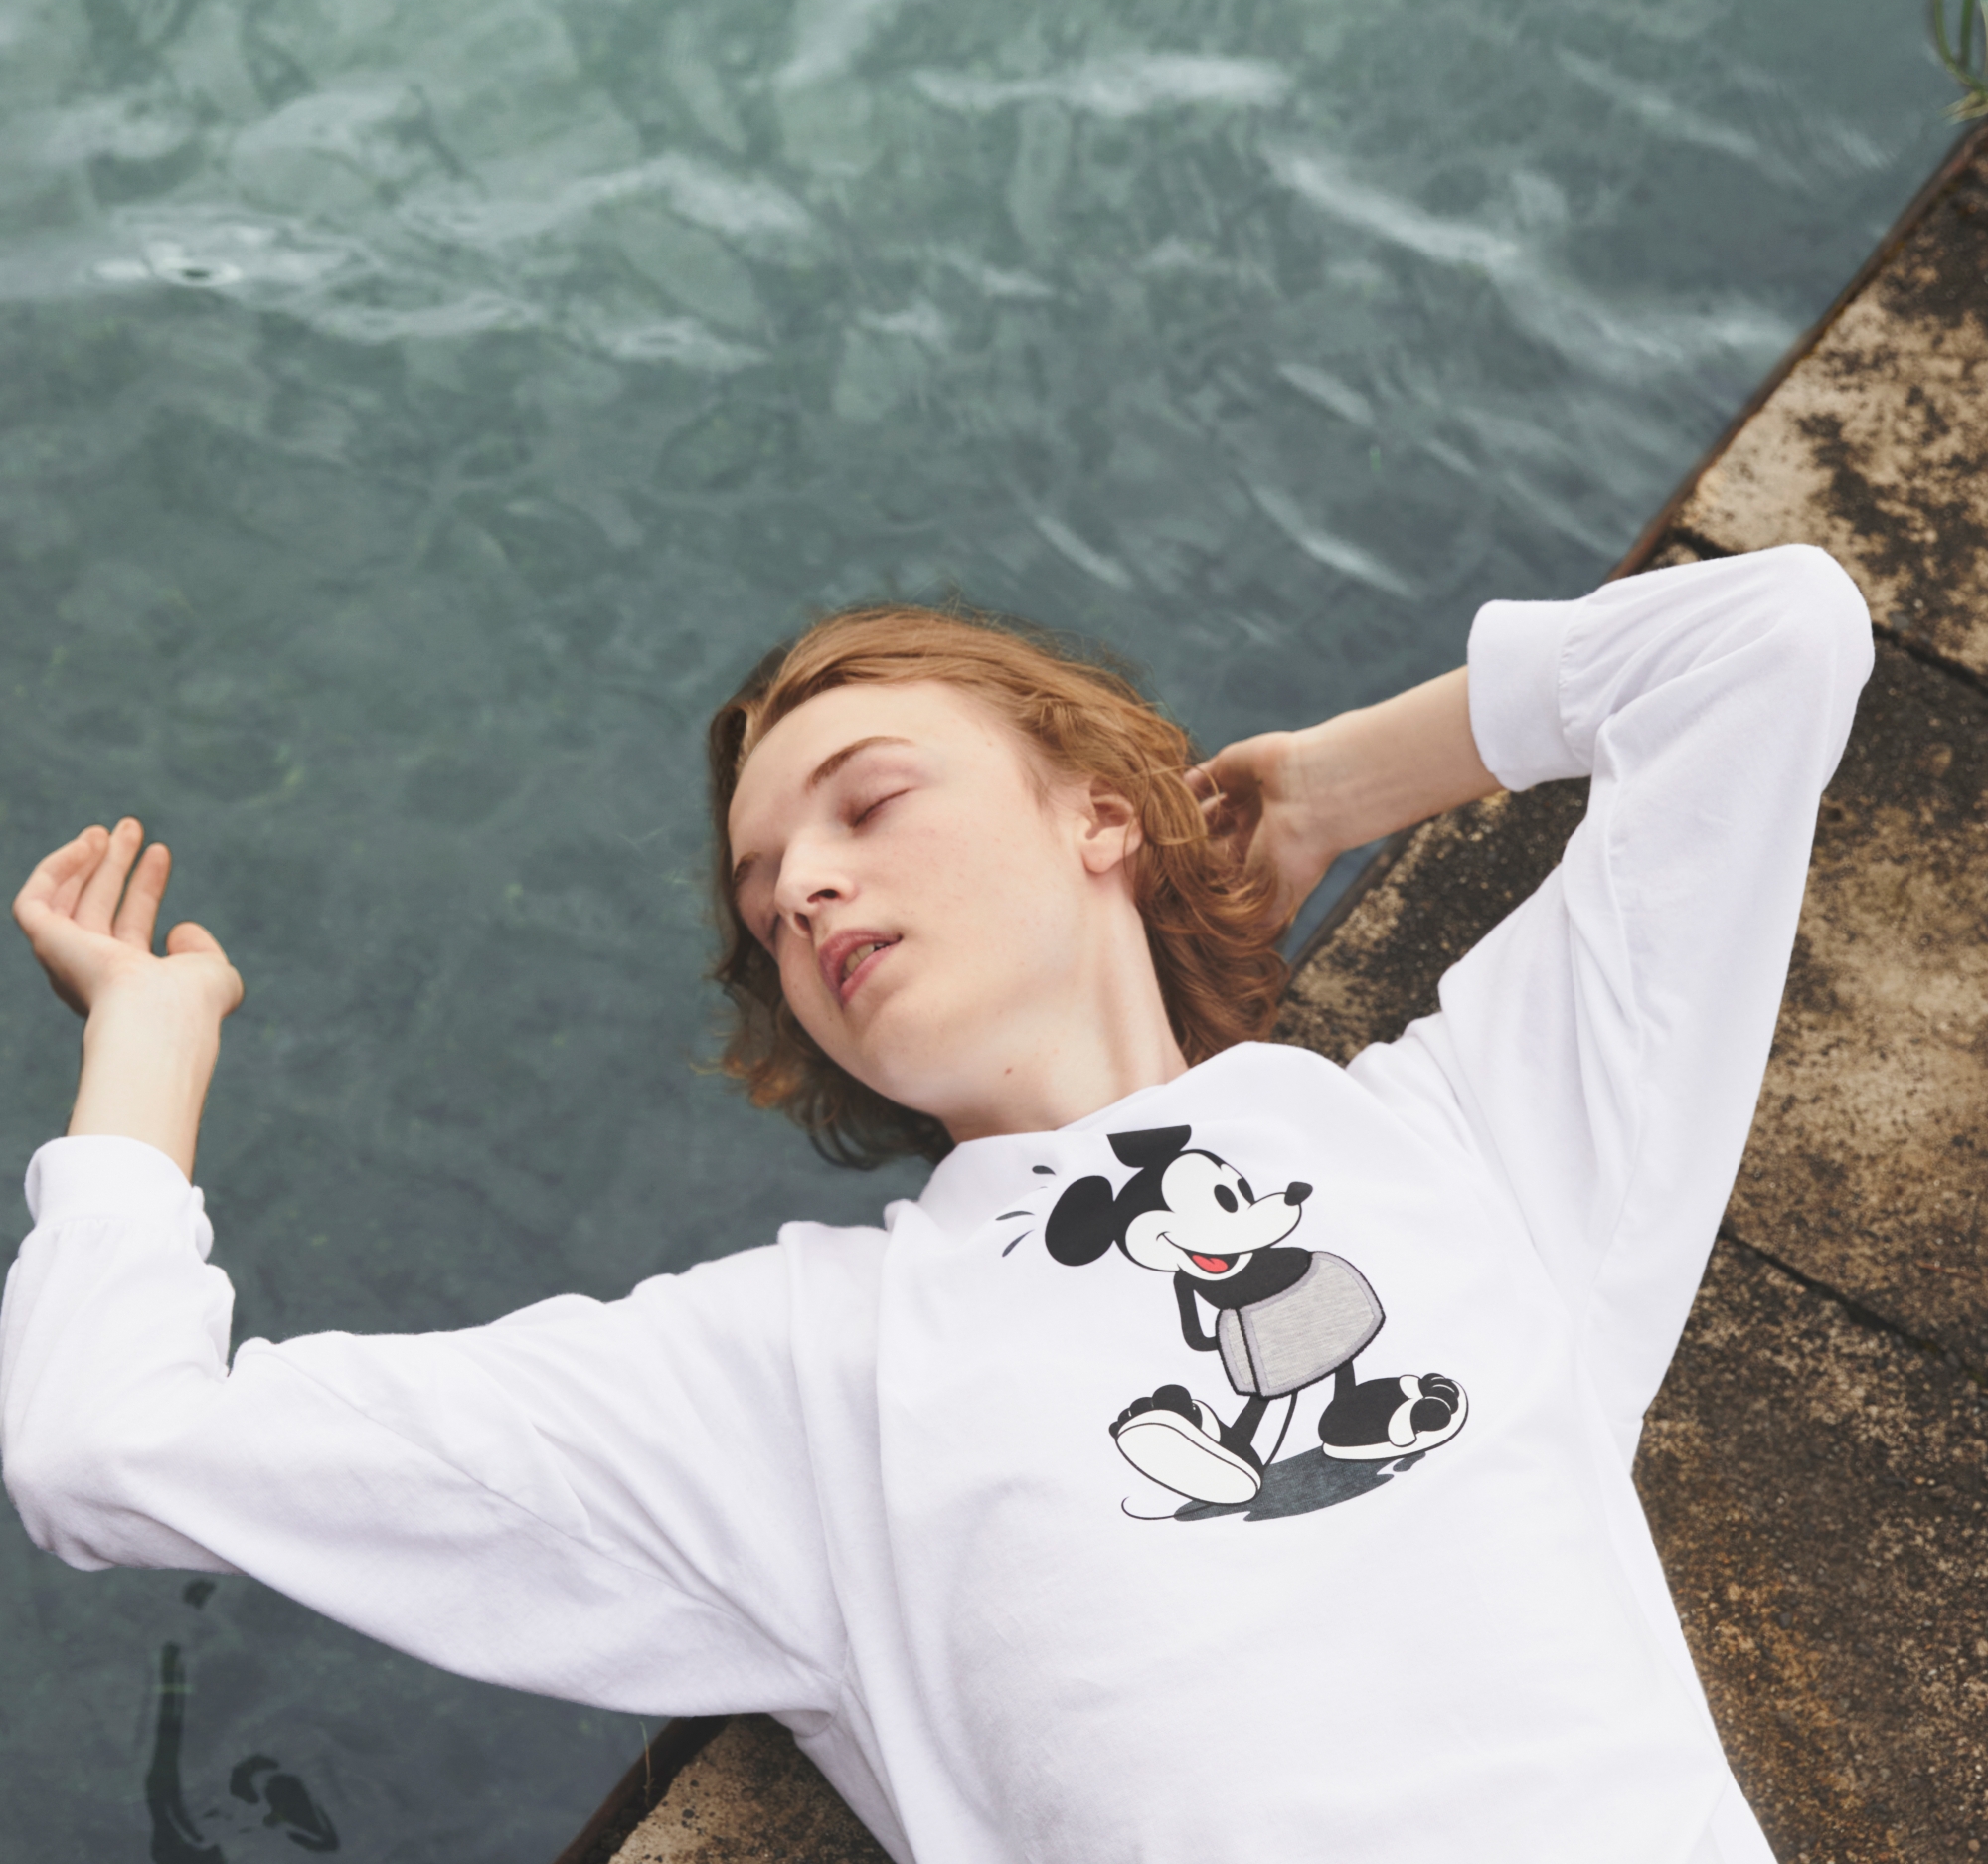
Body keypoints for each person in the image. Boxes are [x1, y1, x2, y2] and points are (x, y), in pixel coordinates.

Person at [1, 543, 1871, 1864]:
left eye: (869, 802)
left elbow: (1770, 640)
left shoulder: (1470, 1141)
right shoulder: (797, 1373)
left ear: (1099, 814)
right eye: (765, 901)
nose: (805, 887)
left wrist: (1324, 786)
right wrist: (151, 1040)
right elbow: (105, 1444)